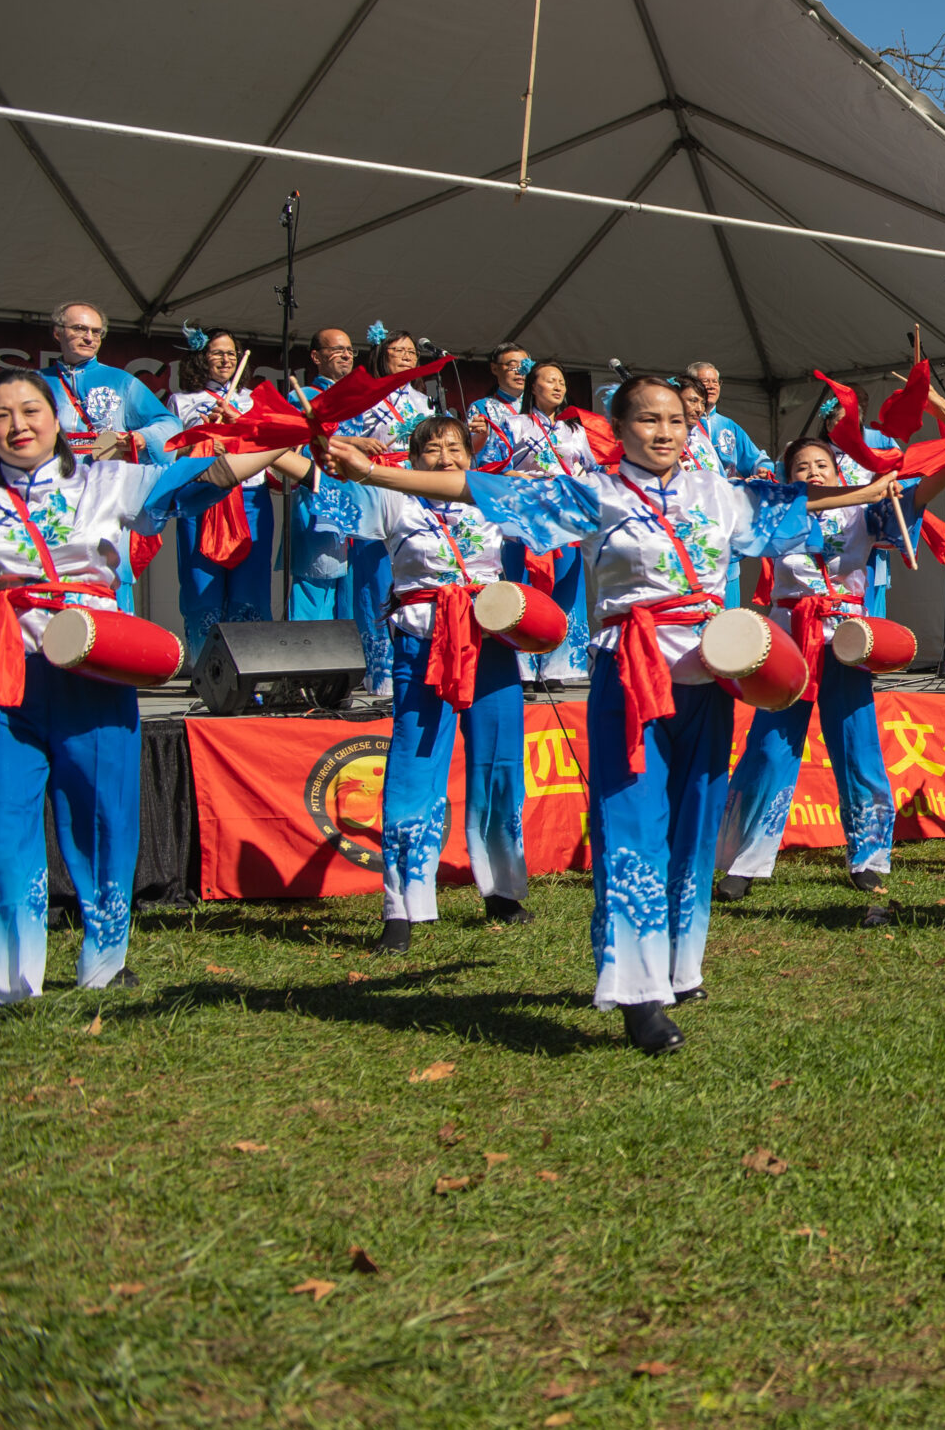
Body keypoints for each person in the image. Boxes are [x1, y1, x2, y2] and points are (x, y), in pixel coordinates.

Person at [326, 376, 898, 1053]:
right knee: (631, 825)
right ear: (618, 426)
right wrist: (374, 472)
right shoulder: (592, 493)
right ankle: (637, 991)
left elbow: (796, 505)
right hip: (630, 673)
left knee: (694, 824)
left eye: (677, 422)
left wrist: (868, 492)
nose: (664, 432)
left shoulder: (719, 494)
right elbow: (481, 491)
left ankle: (682, 964)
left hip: (708, 678)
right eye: (648, 420)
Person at [0, 369, 294, 1022]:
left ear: (54, 416)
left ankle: (104, 960)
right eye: (0, 414)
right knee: (1, 823)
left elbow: (199, 477)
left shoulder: (104, 482)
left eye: (29, 409)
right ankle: (7, 978)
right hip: (7, 676)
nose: (17, 424)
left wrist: (288, 438)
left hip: (95, 666)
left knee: (105, 814)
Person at [715, 424, 945, 910]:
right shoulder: (775, 509)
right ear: (789, 477)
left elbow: (915, 498)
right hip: (790, 640)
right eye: (802, 468)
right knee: (770, 748)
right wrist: (862, 489)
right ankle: (744, 861)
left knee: (858, 747)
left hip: (847, 639)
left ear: (839, 469)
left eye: (822, 466)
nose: (812, 473)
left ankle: (868, 858)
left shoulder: (863, 512)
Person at [327, 415, 540, 951]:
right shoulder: (390, 497)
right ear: (413, 458)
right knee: (414, 767)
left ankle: (502, 890)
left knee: (498, 761)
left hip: (490, 640)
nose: (445, 458)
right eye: (431, 450)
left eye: (454, 448)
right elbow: (316, 465)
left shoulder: (490, 493)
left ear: (470, 455)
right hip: (423, 642)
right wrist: (332, 443)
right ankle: (403, 908)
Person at [333, 328, 441, 697]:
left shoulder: (425, 403)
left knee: (412, 570)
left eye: (412, 351)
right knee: (373, 577)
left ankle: (415, 657)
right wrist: (358, 444)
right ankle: (378, 670)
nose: (408, 357)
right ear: (382, 354)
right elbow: (334, 434)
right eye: (399, 351)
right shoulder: (365, 396)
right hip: (375, 485)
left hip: (413, 486)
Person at [475, 360, 597, 683]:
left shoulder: (575, 430)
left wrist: (584, 480)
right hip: (526, 518)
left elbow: (596, 470)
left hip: (565, 518)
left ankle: (561, 666)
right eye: (550, 380)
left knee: (566, 586)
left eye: (561, 382)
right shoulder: (515, 425)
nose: (558, 387)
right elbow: (489, 466)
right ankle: (523, 668)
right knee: (524, 586)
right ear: (533, 387)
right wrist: (511, 474)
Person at [166, 330, 279, 660]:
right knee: (202, 583)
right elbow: (170, 451)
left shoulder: (255, 400)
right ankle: (208, 669)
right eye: (218, 353)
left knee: (251, 583)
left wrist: (241, 427)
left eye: (231, 353)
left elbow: (271, 446)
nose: (226, 359)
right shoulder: (181, 401)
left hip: (250, 496)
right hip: (200, 497)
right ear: (202, 358)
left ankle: (250, 665)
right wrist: (202, 438)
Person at [285, 328, 361, 624]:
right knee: (317, 584)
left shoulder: (361, 401)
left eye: (350, 350)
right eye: (337, 349)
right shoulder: (301, 397)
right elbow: (296, 449)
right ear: (316, 357)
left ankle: (356, 666)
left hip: (361, 502)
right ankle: (307, 665)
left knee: (356, 594)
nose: (346, 355)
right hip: (321, 500)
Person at [41, 303, 179, 465]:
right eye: (79, 328)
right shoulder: (35, 382)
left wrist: (144, 437)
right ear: (58, 333)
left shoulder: (121, 380)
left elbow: (169, 423)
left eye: (96, 332)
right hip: (49, 475)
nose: (89, 338)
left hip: (105, 477)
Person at [686, 362, 773, 479]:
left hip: (726, 492)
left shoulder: (729, 426)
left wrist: (762, 468)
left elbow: (756, 458)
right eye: (706, 381)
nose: (712, 386)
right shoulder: (682, 424)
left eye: (715, 382)